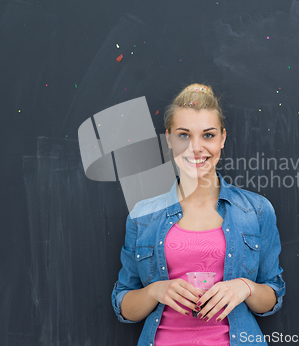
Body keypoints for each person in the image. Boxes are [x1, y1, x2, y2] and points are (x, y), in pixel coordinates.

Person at [111, 83, 286, 346]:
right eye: (183, 135)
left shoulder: (257, 210)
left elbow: (273, 296)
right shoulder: (143, 215)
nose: (196, 147)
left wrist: (244, 287)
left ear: (222, 138)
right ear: (168, 139)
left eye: (207, 135)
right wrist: (155, 291)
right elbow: (124, 307)